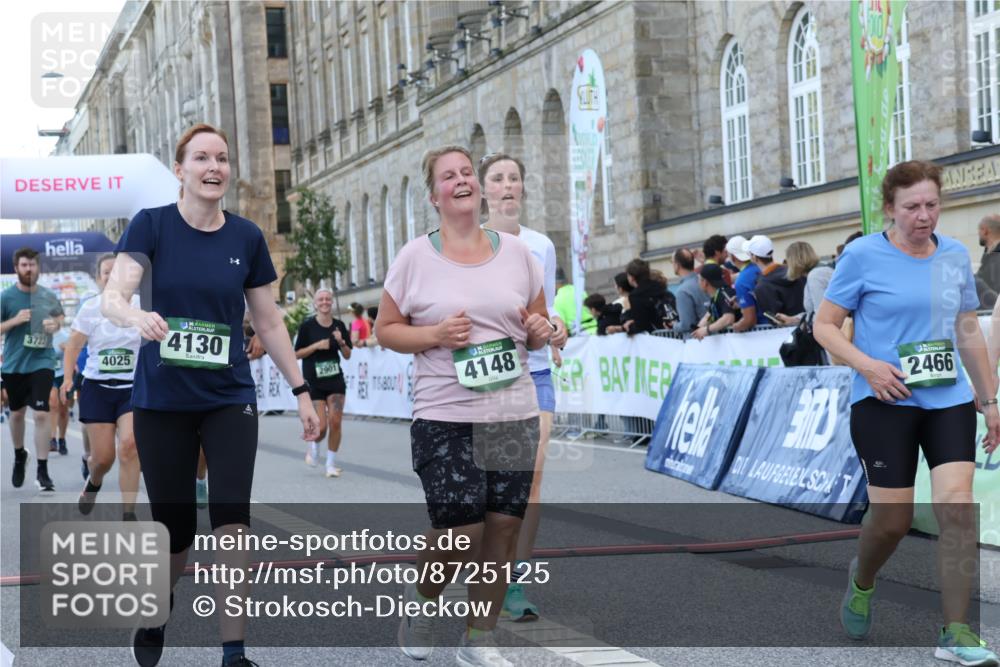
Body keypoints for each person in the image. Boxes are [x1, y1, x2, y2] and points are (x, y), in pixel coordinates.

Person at [102, 123, 320, 667]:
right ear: (180, 170)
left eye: (222, 158)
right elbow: (113, 297)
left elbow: (268, 321)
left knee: (231, 517)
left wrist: (301, 390)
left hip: (228, 396)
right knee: (175, 527)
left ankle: (233, 650)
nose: (213, 167)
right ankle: (157, 610)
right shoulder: (151, 226)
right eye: (201, 158)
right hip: (162, 400)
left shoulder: (245, 237)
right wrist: (137, 315)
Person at [813, 160, 1000, 665]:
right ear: (889, 209)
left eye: (932, 205)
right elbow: (825, 325)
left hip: (948, 399)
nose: (924, 216)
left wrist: (989, 400)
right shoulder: (862, 255)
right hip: (884, 401)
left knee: (958, 508)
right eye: (912, 207)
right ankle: (863, 578)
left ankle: (957, 631)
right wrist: (869, 367)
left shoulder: (956, 256)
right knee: (892, 521)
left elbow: (965, 329)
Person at [377, 145, 552, 666]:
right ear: (433, 196)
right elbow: (387, 330)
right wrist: (433, 333)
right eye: (448, 176)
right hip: (443, 413)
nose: (462, 180)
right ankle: (423, 602)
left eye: (467, 172)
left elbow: (538, 328)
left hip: (512, 411)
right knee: (461, 529)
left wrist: (543, 330)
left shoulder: (519, 253)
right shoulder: (415, 257)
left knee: (501, 528)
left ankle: (479, 640)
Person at [479, 152, 569, 622]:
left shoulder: (541, 245)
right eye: (498, 178)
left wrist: (557, 329)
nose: (508, 185)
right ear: (483, 190)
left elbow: (548, 307)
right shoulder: (468, 245)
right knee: (493, 480)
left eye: (515, 177)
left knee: (531, 481)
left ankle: (515, 580)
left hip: (534, 371)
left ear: (523, 188)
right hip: (487, 373)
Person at [60, 253, 142, 521]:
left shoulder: (143, 305)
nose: (111, 276)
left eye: (117, 271)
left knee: (130, 446)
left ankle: (129, 514)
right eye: (106, 272)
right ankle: (94, 481)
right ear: (98, 278)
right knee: (103, 459)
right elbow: (74, 343)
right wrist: (68, 378)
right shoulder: (91, 308)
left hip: (132, 388)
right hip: (98, 387)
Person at [0, 247, 64, 492]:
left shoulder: (48, 296)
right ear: (16, 268)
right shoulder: (6, 298)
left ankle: (42, 470)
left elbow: (60, 320)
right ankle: (19, 454)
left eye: (33, 265)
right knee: (16, 415)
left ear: (39, 268)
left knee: (40, 413)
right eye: (24, 265)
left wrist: (54, 325)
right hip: (15, 364)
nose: (29, 269)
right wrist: (14, 321)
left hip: (42, 362)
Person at [295, 287, 352, 477]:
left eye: (328, 299)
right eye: (321, 299)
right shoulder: (307, 326)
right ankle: (314, 446)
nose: (325, 302)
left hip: (335, 380)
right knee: (320, 428)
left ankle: (330, 464)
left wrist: (341, 341)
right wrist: (317, 345)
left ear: (332, 302)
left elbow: (348, 355)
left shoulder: (339, 325)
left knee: (335, 422)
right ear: (315, 303)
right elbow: (297, 353)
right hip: (314, 382)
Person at [773, 241, 834, 326]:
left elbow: (822, 316)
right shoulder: (820, 271)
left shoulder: (816, 276)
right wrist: (792, 320)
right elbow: (815, 313)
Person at [691, 264, 741, 340]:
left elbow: (728, 318)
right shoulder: (716, 296)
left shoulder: (725, 293)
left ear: (705, 282)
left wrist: (707, 330)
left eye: (699, 279)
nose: (698, 283)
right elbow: (708, 317)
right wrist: (697, 330)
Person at [622, 258, 669, 335]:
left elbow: (641, 325)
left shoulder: (636, 296)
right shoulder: (659, 286)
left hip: (655, 337)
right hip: (672, 332)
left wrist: (629, 326)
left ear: (632, 277)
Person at [672, 248, 709, 334]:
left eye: (672, 262)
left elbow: (687, 324)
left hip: (696, 340)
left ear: (677, 265)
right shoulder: (704, 280)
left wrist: (674, 326)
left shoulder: (682, 291)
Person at [553, 267, 597, 335]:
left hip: (579, 336)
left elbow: (562, 326)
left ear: (554, 283)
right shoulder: (581, 291)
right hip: (596, 330)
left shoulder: (557, 300)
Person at [49, 324, 71, 455]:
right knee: (53, 404)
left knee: (63, 409)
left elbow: (74, 352)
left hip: (63, 375)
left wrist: (67, 349)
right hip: (48, 374)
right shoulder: (41, 335)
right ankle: (52, 439)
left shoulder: (65, 336)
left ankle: (62, 439)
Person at [976, 214, 1000, 309]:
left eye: (979, 230)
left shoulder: (997, 258)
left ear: (985, 230)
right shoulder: (989, 255)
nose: (978, 234)